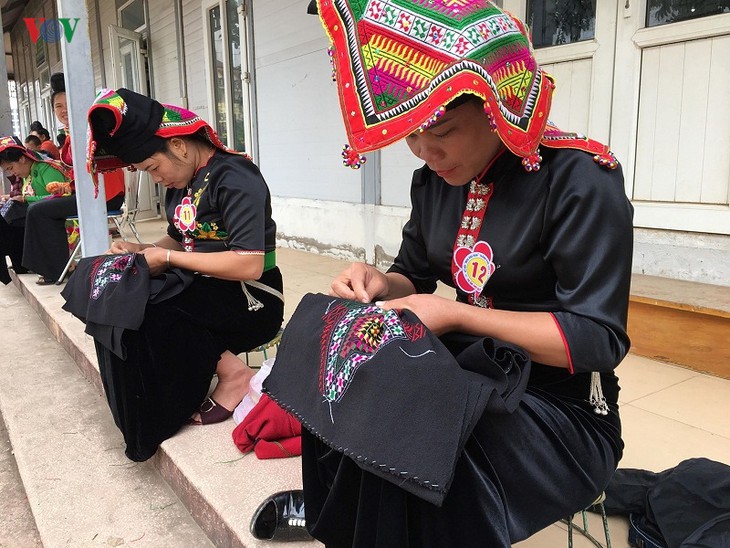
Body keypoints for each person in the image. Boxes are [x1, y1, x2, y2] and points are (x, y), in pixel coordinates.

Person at [269, 2, 634, 546]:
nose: (425, 152)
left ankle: (363, 520)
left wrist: (457, 315)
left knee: (416, 442)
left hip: (562, 405)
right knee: (345, 376)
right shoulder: (435, 180)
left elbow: (597, 339)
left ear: (498, 105)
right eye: (411, 135)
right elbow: (413, 274)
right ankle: (344, 514)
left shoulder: (580, 179)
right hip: (469, 369)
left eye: (441, 130)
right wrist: (377, 281)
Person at [67, 87, 284, 462]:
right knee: (114, 292)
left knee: (150, 307)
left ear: (180, 147)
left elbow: (248, 263)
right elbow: (180, 239)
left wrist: (168, 258)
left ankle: (230, 376)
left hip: (251, 294)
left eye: (153, 168)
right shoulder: (184, 182)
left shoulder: (235, 177)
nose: (156, 179)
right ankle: (142, 413)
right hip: (203, 287)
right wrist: (141, 249)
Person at [22, 73, 125, 285]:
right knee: (36, 208)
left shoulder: (92, 127)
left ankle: (57, 269)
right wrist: (66, 186)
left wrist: (69, 187)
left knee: (39, 211)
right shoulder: (74, 132)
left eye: (68, 104)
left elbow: (94, 167)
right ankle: (54, 266)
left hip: (104, 195)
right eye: (58, 106)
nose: (63, 110)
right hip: (89, 192)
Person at [0, 136, 72, 283]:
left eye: (11, 168)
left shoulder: (47, 169)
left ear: (22, 159)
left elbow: (60, 197)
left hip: (56, 215)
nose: (12, 173)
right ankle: (19, 263)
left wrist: (27, 199)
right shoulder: (28, 174)